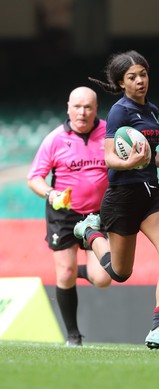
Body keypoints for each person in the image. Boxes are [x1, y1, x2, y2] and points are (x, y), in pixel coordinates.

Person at [74, 50, 159, 351]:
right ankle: (90, 232)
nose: (140, 81)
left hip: (151, 194)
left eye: (143, 74)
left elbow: (146, 152)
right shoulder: (119, 111)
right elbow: (112, 157)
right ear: (121, 83)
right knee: (120, 273)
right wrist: (132, 163)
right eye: (132, 77)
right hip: (123, 197)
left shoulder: (152, 109)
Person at [27, 86, 112, 346]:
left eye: (88, 107)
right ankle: (73, 336)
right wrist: (51, 194)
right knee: (64, 272)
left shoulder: (110, 134)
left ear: (96, 109)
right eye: (77, 107)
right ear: (68, 108)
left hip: (97, 216)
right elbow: (34, 178)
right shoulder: (54, 139)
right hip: (63, 215)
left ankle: (69, 269)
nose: (82, 112)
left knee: (104, 278)